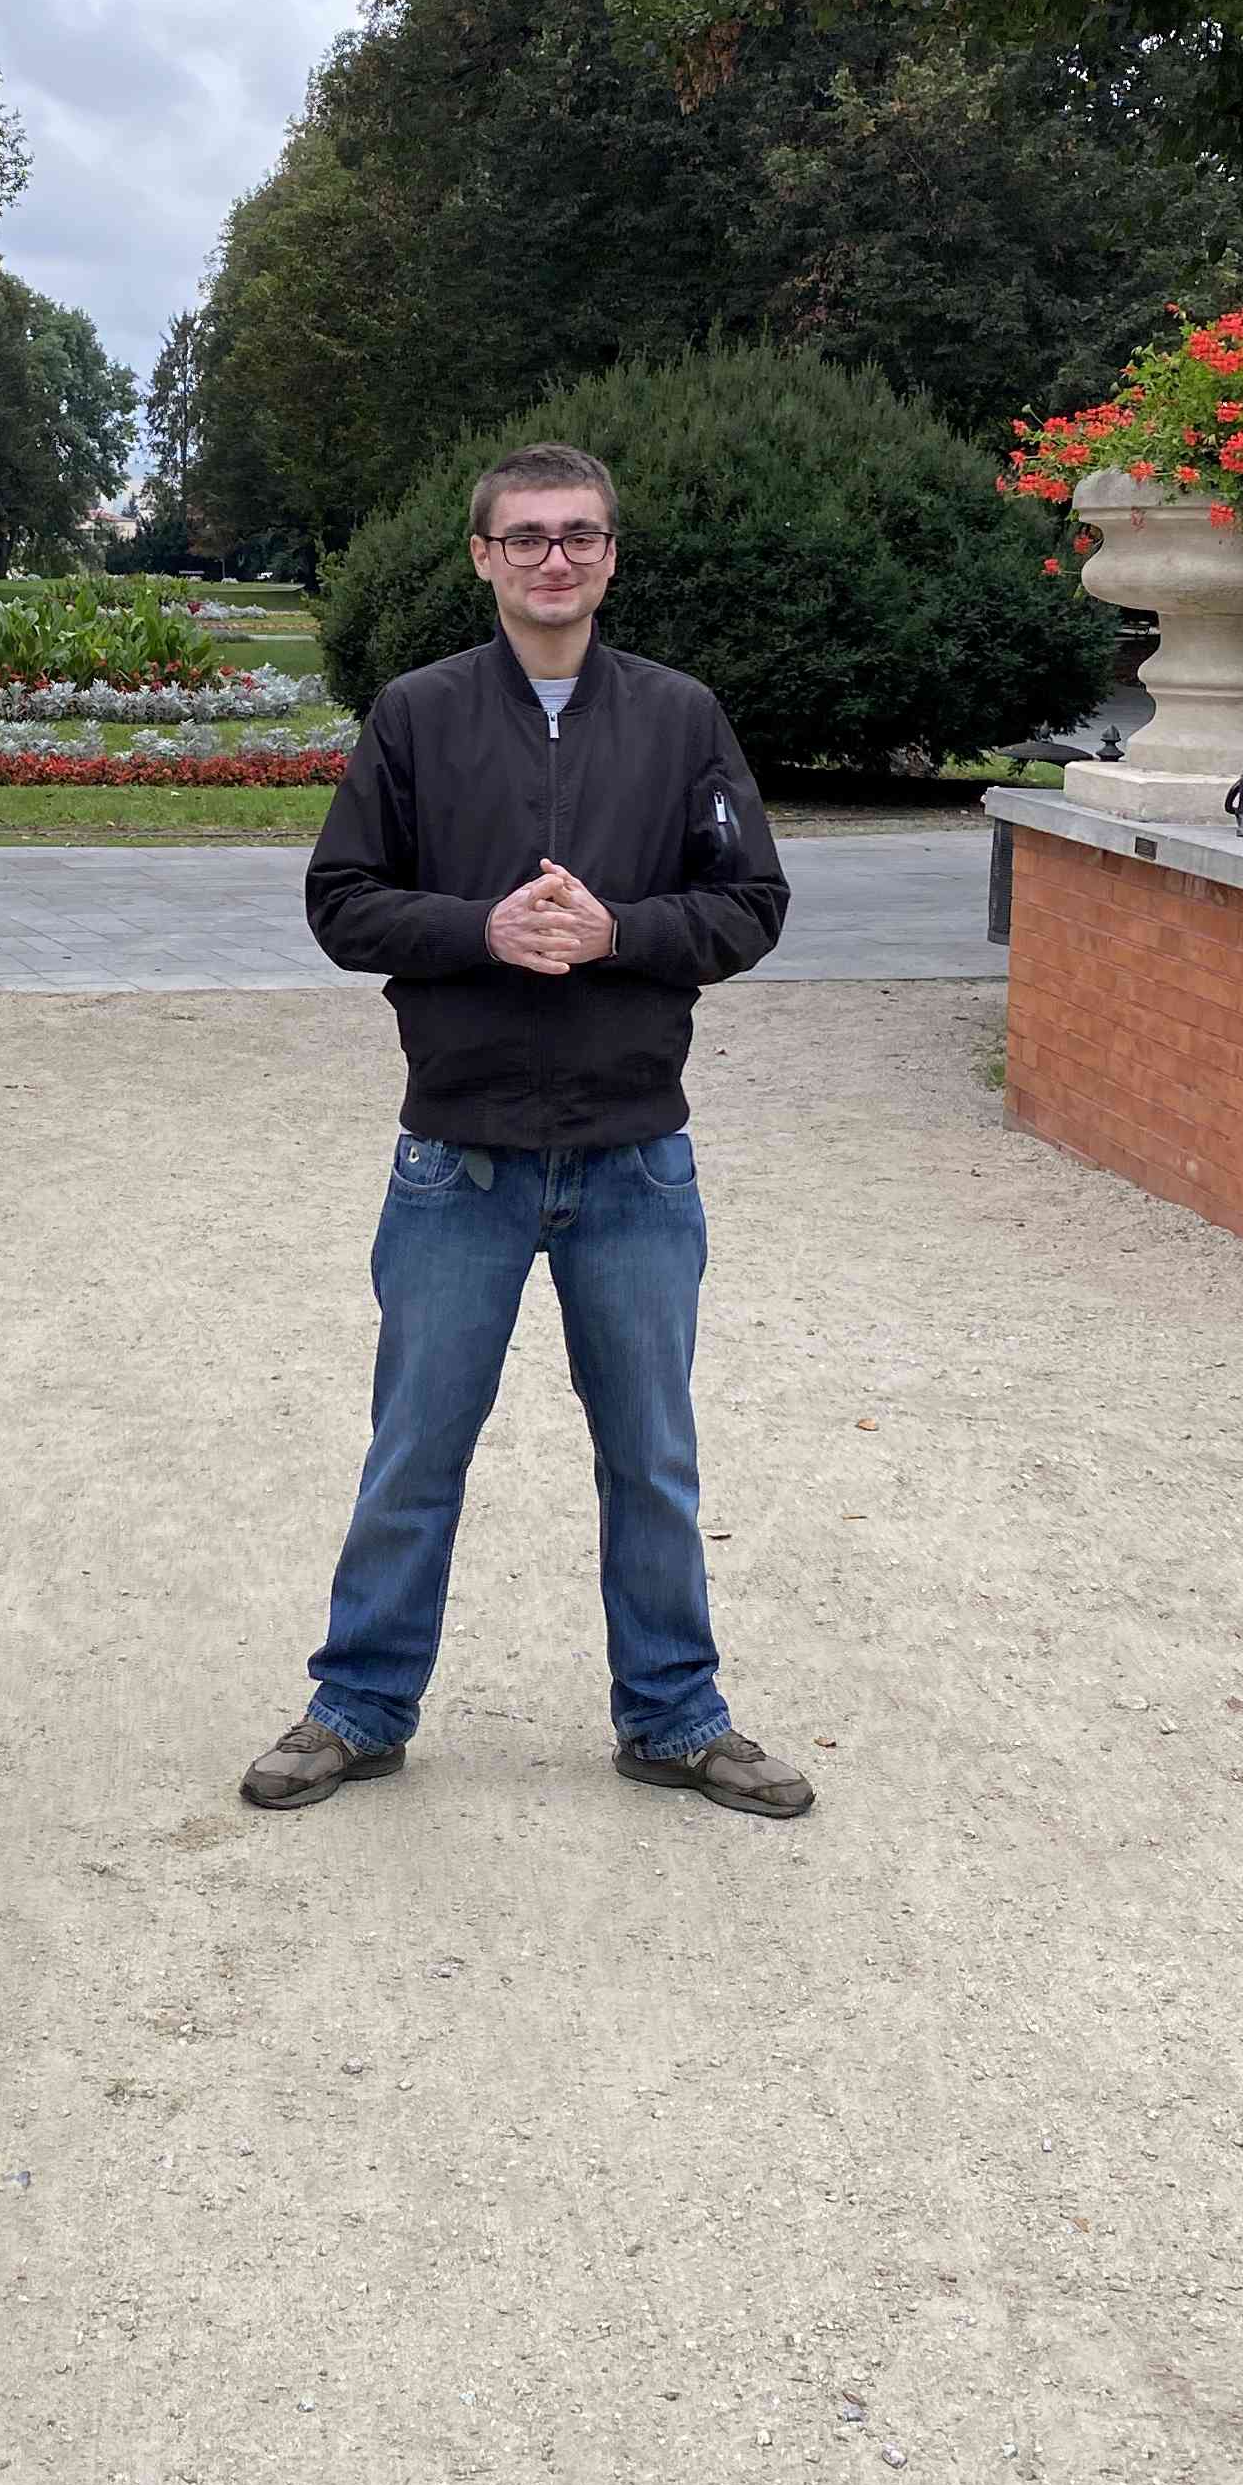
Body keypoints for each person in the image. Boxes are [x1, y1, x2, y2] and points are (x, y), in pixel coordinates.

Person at [241, 443, 815, 1821]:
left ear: (611, 555)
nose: (555, 559)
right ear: (483, 557)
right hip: (461, 1153)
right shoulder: (419, 715)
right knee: (415, 1452)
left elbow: (751, 903)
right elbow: (341, 900)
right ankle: (360, 1706)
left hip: (634, 1155)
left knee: (652, 1460)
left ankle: (673, 1715)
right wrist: (479, 930)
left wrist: (622, 933)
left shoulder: (680, 717)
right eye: (527, 538)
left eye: (580, 536)